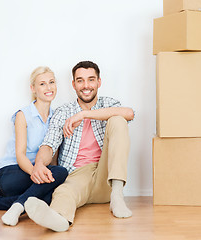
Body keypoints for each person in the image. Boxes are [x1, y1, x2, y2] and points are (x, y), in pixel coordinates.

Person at [24, 61, 135, 232]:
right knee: (63, 193)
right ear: (73, 84)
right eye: (80, 80)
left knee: (118, 120)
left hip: (107, 176)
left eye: (91, 80)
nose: (86, 86)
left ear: (99, 82)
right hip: (77, 175)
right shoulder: (63, 111)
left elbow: (129, 113)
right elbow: (49, 144)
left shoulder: (109, 104)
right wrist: (38, 164)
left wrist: (84, 114)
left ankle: (118, 196)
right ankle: (59, 220)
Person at [0, 66, 68, 227]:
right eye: (42, 84)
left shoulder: (57, 117)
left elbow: (53, 156)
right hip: (12, 175)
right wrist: (35, 172)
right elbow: (20, 155)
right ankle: (16, 203)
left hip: (36, 177)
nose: (48, 87)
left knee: (57, 183)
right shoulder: (23, 115)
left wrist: (52, 178)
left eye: (51, 82)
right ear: (33, 88)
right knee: (50, 186)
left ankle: (0, 204)